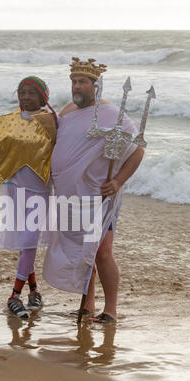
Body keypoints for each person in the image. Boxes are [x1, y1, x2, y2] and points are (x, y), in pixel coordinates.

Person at [43, 58, 145, 323]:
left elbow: (138, 149)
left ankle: (110, 310)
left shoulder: (111, 113)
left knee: (101, 252)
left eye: (83, 82)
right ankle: (87, 306)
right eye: (74, 81)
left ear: (95, 86)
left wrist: (119, 181)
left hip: (98, 196)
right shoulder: (66, 112)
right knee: (81, 250)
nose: (77, 86)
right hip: (70, 196)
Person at [0, 76, 57, 319]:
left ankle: (14, 296)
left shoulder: (51, 121)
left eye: (31, 93)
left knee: (30, 242)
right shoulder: (11, 120)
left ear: (43, 97)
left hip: (39, 190)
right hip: (14, 188)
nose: (25, 97)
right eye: (22, 93)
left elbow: (65, 149)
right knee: (26, 244)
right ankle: (33, 291)